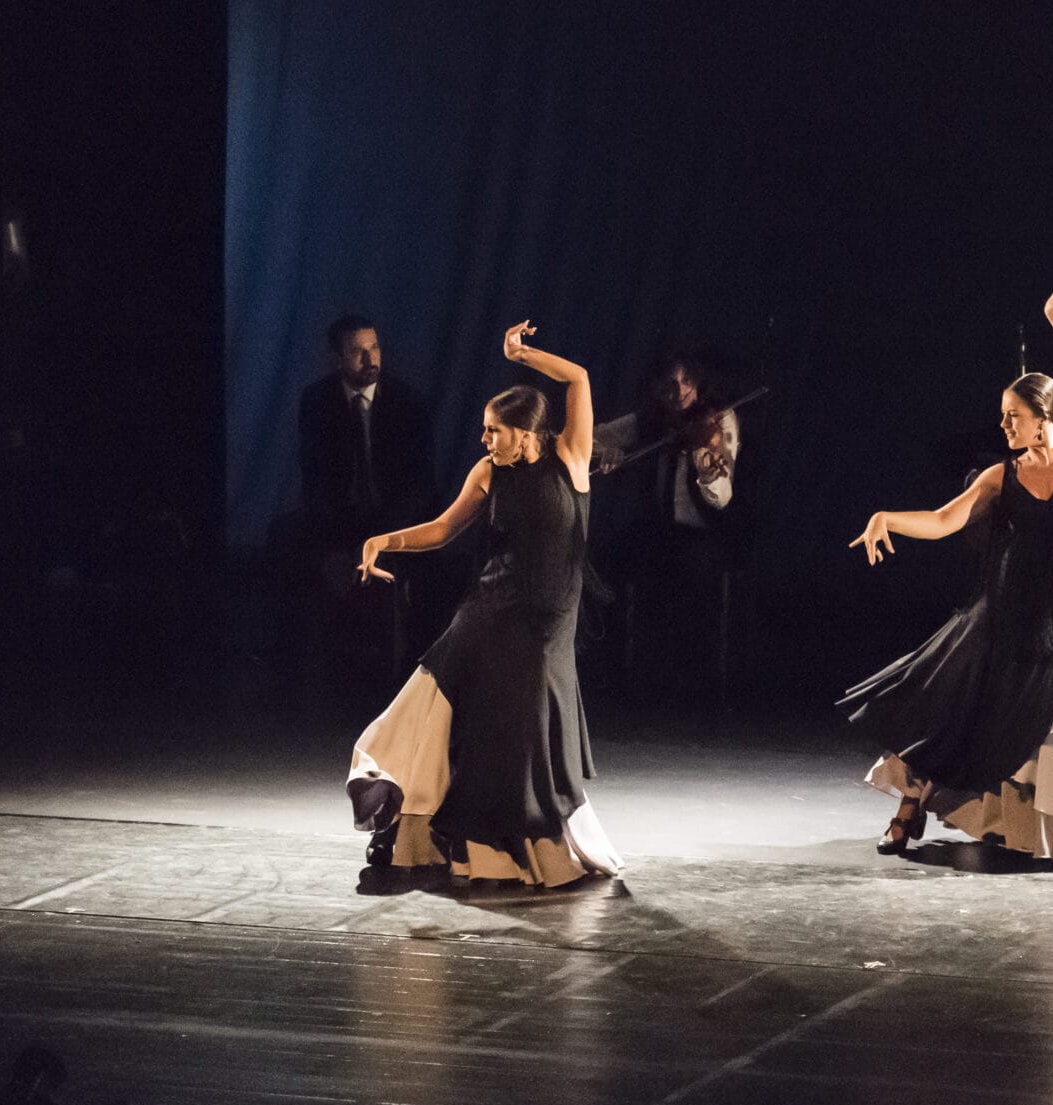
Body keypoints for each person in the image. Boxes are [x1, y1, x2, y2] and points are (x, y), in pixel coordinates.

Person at [840, 262, 1053, 862]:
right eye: (1004, 415)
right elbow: (945, 520)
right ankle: (909, 807)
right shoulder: (1000, 476)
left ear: (1045, 417)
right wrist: (887, 518)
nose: (1004, 424)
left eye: (1014, 415)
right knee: (955, 709)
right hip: (1007, 616)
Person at [344, 322, 623, 887]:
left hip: (547, 625)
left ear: (525, 432)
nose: (484, 439)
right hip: (489, 614)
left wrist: (523, 354)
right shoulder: (489, 472)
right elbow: (444, 530)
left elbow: (578, 379)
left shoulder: (571, 457)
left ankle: (532, 847)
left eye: (494, 430)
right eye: (484, 429)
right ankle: (454, 842)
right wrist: (383, 540)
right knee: (463, 722)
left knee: (529, 735)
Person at [592, 346, 746, 693]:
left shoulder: (719, 421)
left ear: (698, 382)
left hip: (704, 532)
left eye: (687, 381)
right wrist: (606, 452)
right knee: (607, 560)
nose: (680, 392)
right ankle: (620, 676)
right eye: (670, 384)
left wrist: (707, 468)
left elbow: (721, 499)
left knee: (690, 573)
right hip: (658, 529)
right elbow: (591, 438)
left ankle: (692, 684)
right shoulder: (651, 419)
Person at [292, 314, 435, 665]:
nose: (371, 359)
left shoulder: (407, 401)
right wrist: (336, 545)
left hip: (395, 518)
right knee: (291, 543)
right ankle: (307, 661)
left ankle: (413, 657)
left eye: (375, 348)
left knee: (432, 552)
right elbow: (316, 480)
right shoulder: (317, 401)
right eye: (358, 352)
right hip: (344, 518)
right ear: (337, 358)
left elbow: (419, 484)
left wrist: (384, 539)